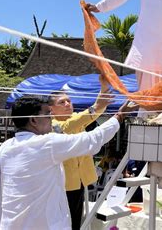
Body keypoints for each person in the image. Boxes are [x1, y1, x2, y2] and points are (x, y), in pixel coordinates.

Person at [0, 95, 132, 230]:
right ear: (34, 120)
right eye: (48, 114)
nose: (51, 118)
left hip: (10, 224)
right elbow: (93, 139)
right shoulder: (47, 143)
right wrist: (119, 116)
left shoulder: (4, 148)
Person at [48, 84, 137, 230]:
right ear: (51, 109)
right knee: (63, 222)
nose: (67, 104)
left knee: (77, 220)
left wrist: (101, 97)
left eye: (68, 101)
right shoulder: (52, 124)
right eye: (62, 102)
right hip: (63, 184)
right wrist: (95, 106)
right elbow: (70, 125)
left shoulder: (76, 118)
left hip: (80, 180)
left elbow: (91, 115)